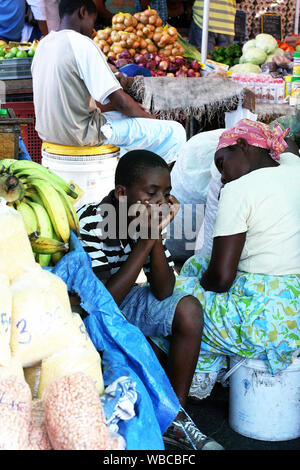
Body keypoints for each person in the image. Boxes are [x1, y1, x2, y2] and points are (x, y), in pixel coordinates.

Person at [77, 149, 224, 450]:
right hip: (89, 311)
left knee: (188, 308)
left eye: (166, 194)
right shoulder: (93, 220)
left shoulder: (142, 219)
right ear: (121, 193)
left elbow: (164, 290)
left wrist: (154, 237)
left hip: (123, 299)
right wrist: (145, 242)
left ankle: (175, 416)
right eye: (151, 192)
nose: (160, 202)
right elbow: (102, 303)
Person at [152, 119, 300, 400]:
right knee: (196, 266)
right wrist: (266, 137)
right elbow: (288, 142)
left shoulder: (238, 190)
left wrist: (196, 288)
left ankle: (197, 376)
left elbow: (220, 279)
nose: (221, 176)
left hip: (265, 322)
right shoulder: (295, 168)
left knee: (178, 299)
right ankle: (213, 363)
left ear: (242, 146)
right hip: (294, 310)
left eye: (222, 163)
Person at [31, 0, 186, 164]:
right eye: (92, 21)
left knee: (124, 121)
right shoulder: (82, 43)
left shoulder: (44, 44)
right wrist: (149, 118)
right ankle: (150, 180)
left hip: (51, 135)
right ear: (83, 12)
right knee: (174, 132)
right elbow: (121, 102)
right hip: (83, 134)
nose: (92, 29)